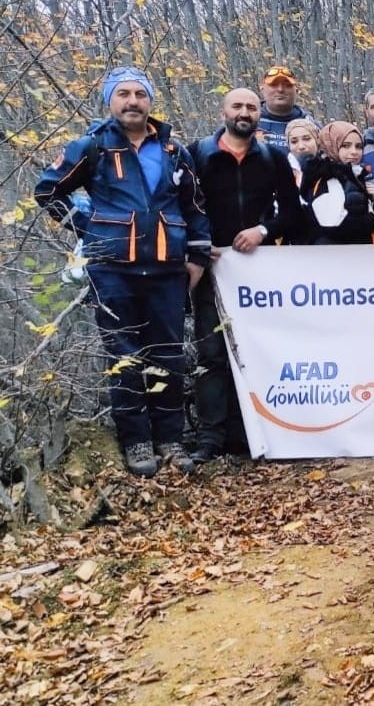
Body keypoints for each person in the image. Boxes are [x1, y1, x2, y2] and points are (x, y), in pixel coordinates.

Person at [35, 67, 211, 477]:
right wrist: (90, 228)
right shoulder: (92, 146)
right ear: (110, 101)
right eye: (124, 94)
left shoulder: (173, 151)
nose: (132, 101)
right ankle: (136, 443)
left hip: (168, 270)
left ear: (150, 100)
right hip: (112, 271)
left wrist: (197, 258)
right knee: (124, 356)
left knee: (169, 355)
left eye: (140, 94)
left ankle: (171, 439)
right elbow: (47, 191)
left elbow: (196, 207)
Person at [187, 87, 301, 463]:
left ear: (260, 113)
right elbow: (180, 208)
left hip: (258, 273)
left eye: (252, 107)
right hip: (211, 269)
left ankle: (252, 434)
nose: (245, 112)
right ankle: (210, 439)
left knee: (259, 349)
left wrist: (263, 231)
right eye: (238, 106)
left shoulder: (273, 158)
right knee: (212, 352)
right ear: (223, 112)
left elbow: (292, 212)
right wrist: (200, 245)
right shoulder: (197, 155)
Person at [299, 122, 374, 245]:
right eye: (346, 146)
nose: (354, 152)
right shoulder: (327, 177)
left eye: (358, 146)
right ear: (331, 145)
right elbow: (334, 225)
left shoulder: (353, 175)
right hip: (334, 256)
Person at [256, 65, 316, 150]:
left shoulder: (311, 125)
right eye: (274, 85)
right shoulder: (249, 122)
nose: (280, 89)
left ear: (296, 90)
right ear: (262, 88)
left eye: (287, 85)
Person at [285, 117, 320, 190]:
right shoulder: (281, 172)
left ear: (317, 139)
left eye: (307, 139)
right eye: (294, 142)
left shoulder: (331, 170)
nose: (301, 146)